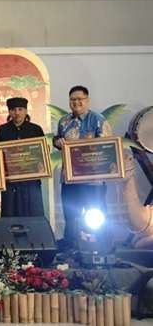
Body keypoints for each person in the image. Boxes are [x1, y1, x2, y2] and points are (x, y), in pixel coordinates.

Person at [53, 85, 112, 248]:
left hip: (93, 180)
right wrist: (57, 142)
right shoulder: (64, 121)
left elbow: (107, 146)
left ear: (87, 100)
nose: (76, 102)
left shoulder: (98, 119)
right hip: (69, 178)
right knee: (71, 215)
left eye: (80, 99)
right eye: (72, 99)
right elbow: (57, 140)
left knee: (97, 215)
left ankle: (99, 247)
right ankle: (71, 247)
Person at [0, 97, 46, 218]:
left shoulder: (36, 129)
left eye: (20, 109)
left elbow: (42, 154)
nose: (17, 113)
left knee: (32, 214)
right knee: (10, 214)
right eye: (13, 110)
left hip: (31, 181)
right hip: (10, 181)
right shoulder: (1, 130)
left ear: (26, 111)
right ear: (9, 112)